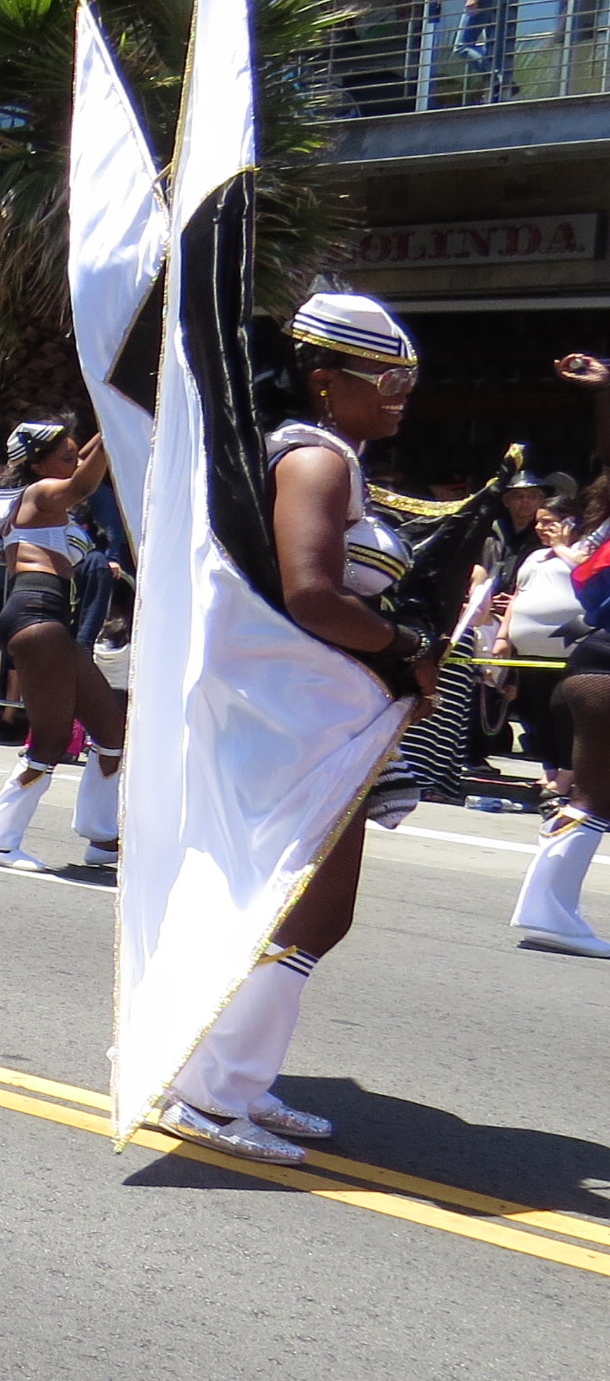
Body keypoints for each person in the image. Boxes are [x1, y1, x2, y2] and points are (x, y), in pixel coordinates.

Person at [160, 293, 440, 1162]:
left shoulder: (316, 454)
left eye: (409, 379)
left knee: (293, 904)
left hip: (313, 717)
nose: (401, 393)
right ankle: (210, 1096)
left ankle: (229, 1075)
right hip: (301, 723)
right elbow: (311, 593)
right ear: (326, 381)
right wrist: (409, 643)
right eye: (387, 378)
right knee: (311, 910)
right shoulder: (317, 461)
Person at [0, 418, 124, 872]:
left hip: (50, 622)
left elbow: (85, 462)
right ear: (36, 463)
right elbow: (83, 482)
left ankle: (102, 839)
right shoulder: (40, 494)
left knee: (112, 731)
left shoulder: (43, 500)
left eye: (78, 453)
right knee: (52, 739)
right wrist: (116, 435)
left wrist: (110, 413)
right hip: (37, 620)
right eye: (64, 456)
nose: (74, 463)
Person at [510, 352, 610, 957]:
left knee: (590, 797)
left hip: (587, 667)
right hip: (603, 669)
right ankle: (549, 908)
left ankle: (548, 906)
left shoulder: (597, 534)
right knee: (594, 799)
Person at [497, 497, 585, 806]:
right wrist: (503, 637)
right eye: (538, 522)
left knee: (563, 710)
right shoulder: (534, 557)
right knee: (538, 712)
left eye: (548, 522)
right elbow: (518, 597)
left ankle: (568, 773)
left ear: (570, 521)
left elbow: (589, 574)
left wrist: (562, 547)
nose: (541, 528)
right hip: (530, 649)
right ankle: (549, 768)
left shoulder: (586, 551)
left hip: (572, 650)